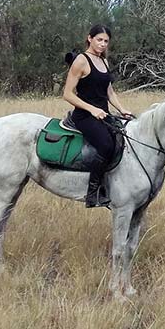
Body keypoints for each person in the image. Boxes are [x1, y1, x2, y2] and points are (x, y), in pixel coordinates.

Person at [63, 24, 133, 208]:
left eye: (106, 41)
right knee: (105, 144)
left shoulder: (104, 61)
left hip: (103, 114)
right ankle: (93, 192)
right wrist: (91, 109)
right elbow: (68, 94)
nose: (102, 44)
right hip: (84, 116)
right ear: (89, 38)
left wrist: (122, 109)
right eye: (99, 40)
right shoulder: (81, 60)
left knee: (123, 139)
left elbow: (109, 92)